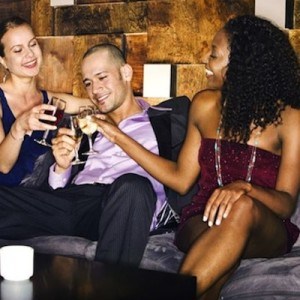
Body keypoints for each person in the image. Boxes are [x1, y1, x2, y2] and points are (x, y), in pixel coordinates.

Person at [93, 15, 300, 298]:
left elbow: (286, 203)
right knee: (217, 265)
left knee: (242, 207)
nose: (204, 58)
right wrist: (116, 135)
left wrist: (246, 189)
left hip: (265, 229)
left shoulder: (291, 120)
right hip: (203, 219)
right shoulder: (204, 104)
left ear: (240, 65)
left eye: (214, 53)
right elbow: (180, 180)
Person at [0, 43, 191, 267]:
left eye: (102, 77)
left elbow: (180, 181)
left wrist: (116, 135)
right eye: (88, 83)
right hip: (74, 203)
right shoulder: (87, 125)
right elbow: (58, 193)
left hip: (123, 204)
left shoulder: (167, 121)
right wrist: (62, 168)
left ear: (126, 73)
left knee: (133, 186)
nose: (95, 90)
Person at [0, 16, 91, 186]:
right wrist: (19, 127)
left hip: (40, 199)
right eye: (18, 50)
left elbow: (97, 105)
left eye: (32, 44)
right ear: (3, 60)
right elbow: (3, 166)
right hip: (6, 198)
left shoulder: (52, 100)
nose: (30, 54)